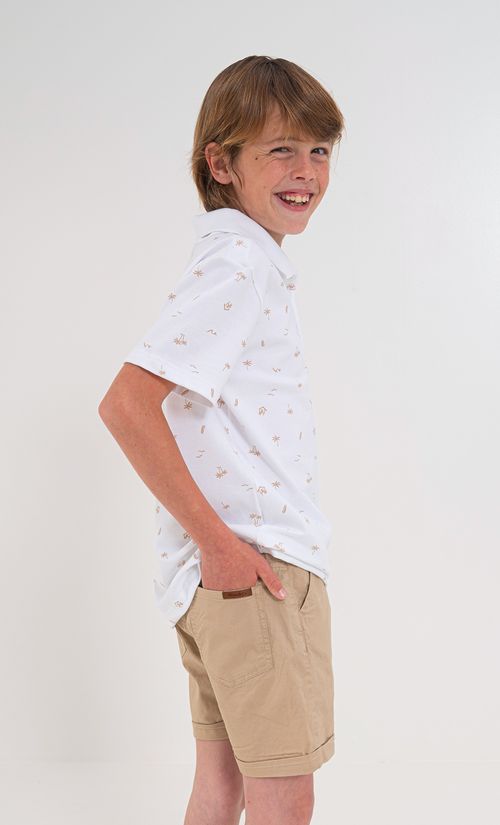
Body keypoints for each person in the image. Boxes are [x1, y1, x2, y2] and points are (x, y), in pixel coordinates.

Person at [98, 54, 345, 825]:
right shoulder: (240, 263)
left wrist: (214, 552)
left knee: (223, 784)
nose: (306, 171)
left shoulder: (240, 258)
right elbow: (127, 404)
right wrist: (221, 544)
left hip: (226, 576)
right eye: (281, 149)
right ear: (221, 163)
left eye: (319, 150)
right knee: (284, 796)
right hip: (254, 569)